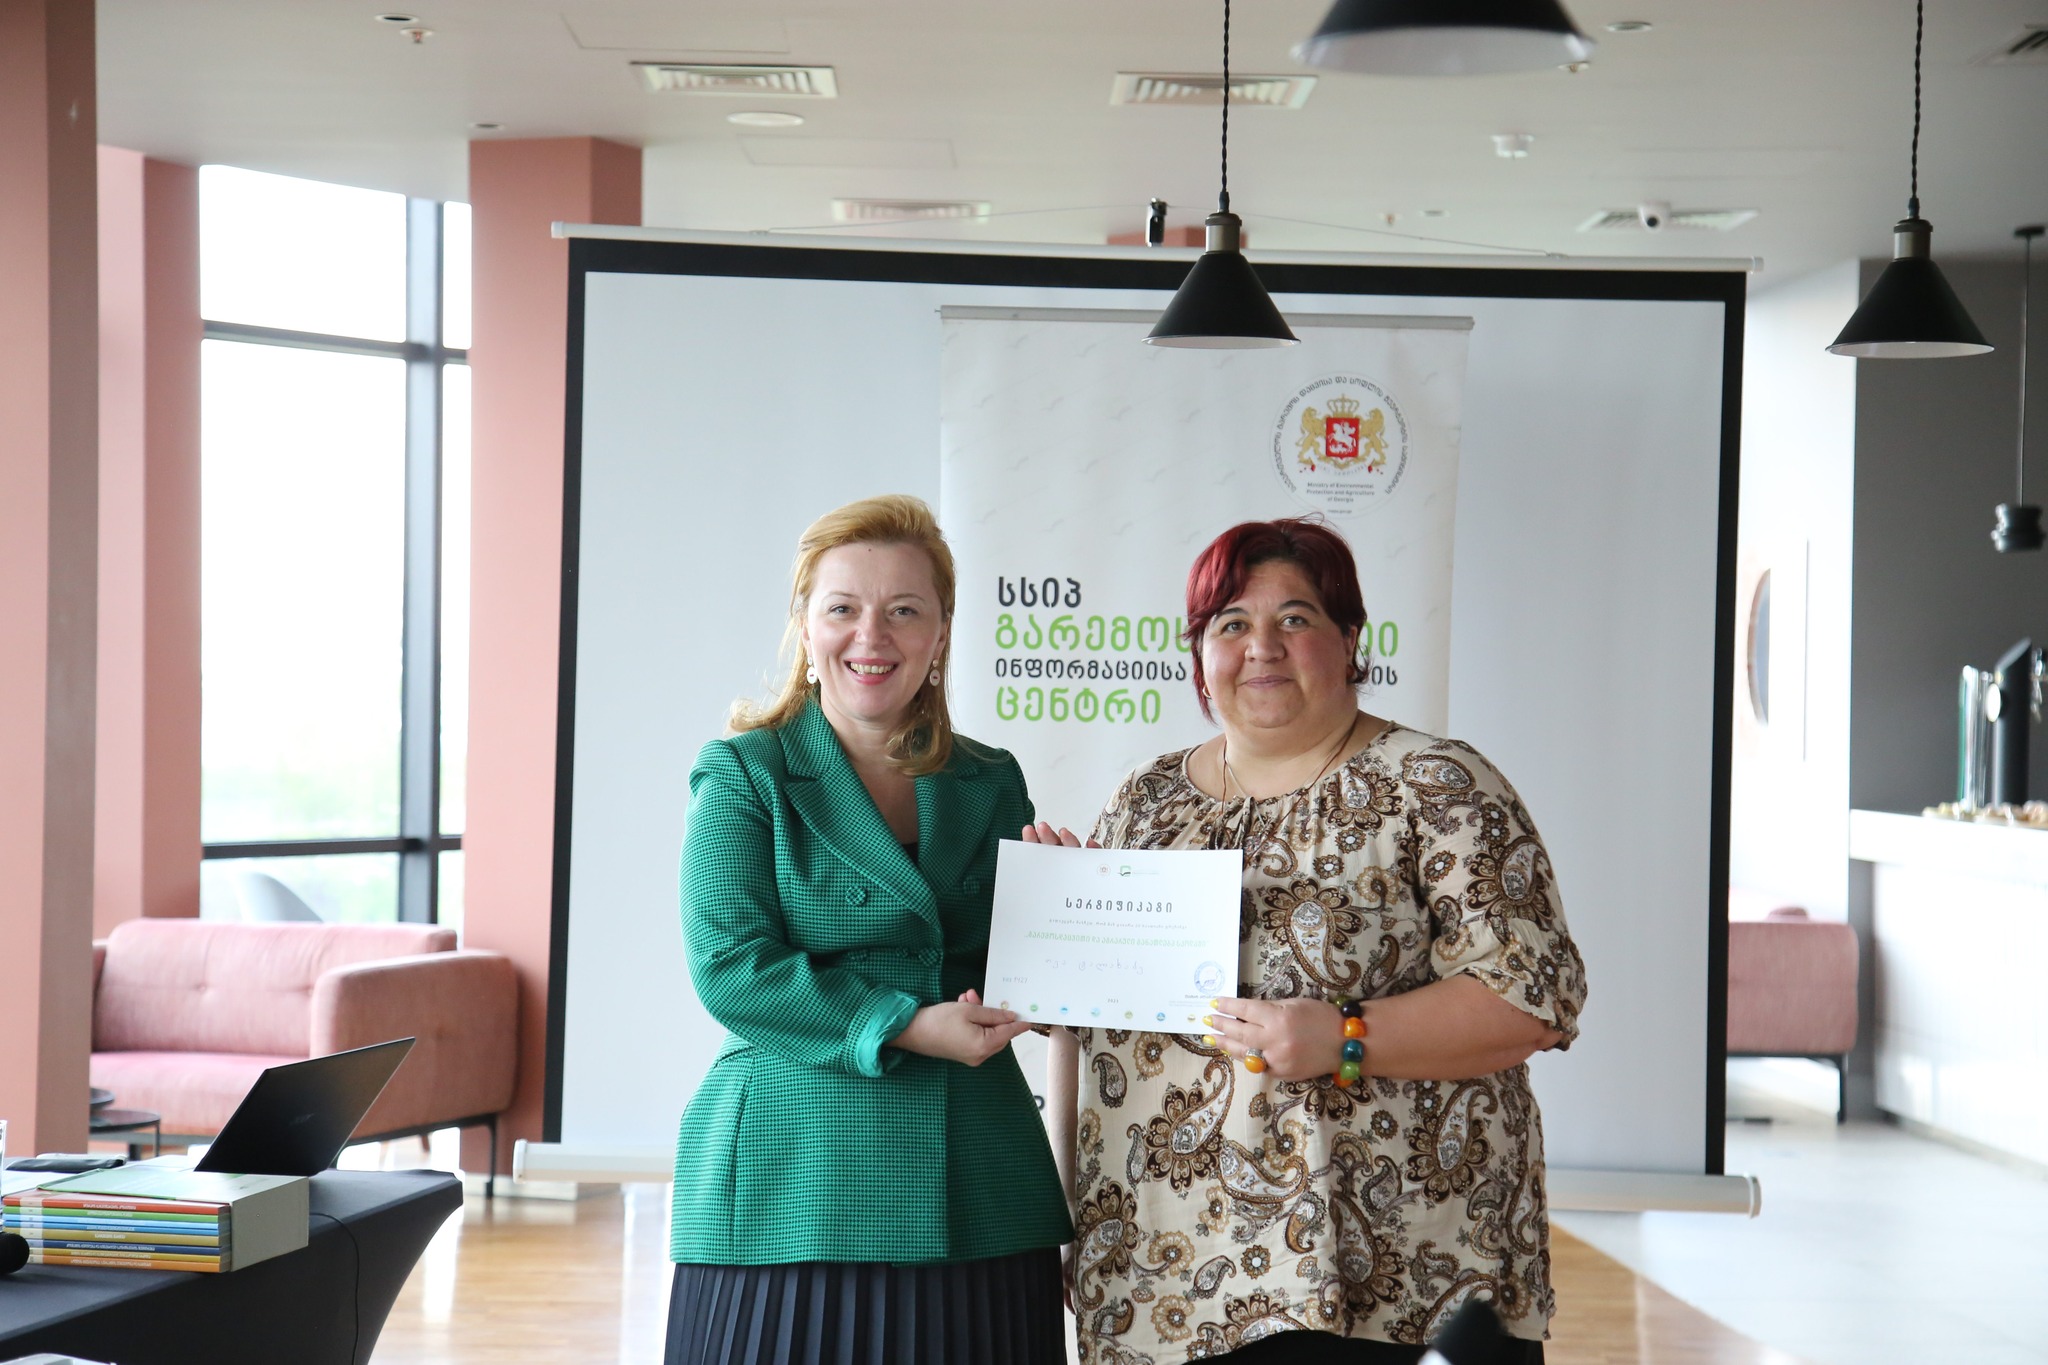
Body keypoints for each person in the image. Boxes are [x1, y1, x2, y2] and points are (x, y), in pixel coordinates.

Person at [1034, 518, 1588, 1365]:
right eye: (1231, 623)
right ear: (1199, 653)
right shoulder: (1145, 801)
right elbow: (1087, 1033)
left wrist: (1345, 1035)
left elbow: (1533, 998)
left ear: (1351, 638)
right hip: (1159, 1281)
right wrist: (1060, 934)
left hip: (1396, 1283)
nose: (1262, 646)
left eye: (1294, 618)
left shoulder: (1436, 784)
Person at [667, 494, 1072, 1365]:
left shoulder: (993, 778)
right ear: (805, 626)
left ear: (941, 633)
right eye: (843, 607)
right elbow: (730, 966)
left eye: (904, 611)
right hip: (794, 1177)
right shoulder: (743, 771)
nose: (871, 636)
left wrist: (1069, 925)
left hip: (978, 1178)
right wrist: (907, 1023)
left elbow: (1015, 969)